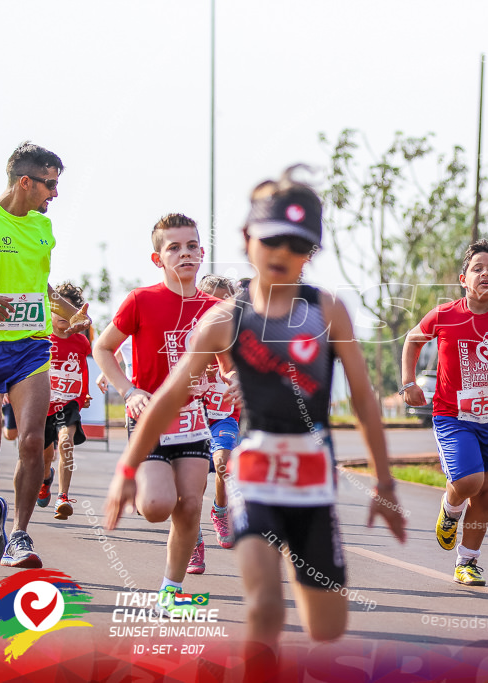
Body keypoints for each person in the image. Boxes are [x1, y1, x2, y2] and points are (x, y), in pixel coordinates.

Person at [103, 167, 406, 656]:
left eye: (298, 244)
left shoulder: (328, 311)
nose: (283, 254)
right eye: (272, 241)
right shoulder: (223, 320)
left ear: (312, 251)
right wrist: (126, 468)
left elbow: (366, 399)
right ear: (248, 241)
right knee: (265, 606)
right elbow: (164, 401)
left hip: (312, 483)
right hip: (257, 477)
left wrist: (385, 481)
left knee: (325, 627)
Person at [0, 141, 91, 568]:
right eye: (50, 185)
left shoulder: (43, 227)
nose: (55, 194)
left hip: (32, 348)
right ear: (25, 181)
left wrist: (69, 312)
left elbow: (41, 283)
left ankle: (19, 534)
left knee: (34, 441)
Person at [93, 212, 220, 611]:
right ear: (158, 259)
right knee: (156, 507)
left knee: (191, 505)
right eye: (175, 248)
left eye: (192, 246)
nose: (185, 253)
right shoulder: (141, 301)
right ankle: (140, 481)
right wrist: (128, 391)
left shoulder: (217, 309)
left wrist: (227, 382)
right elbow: (102, 347)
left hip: (193, 422)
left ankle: (170, 591)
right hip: (149, 421)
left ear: (202, 253)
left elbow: (232, 363)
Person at [401, 239, 488, 586]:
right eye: (478, 268)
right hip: (452, 416)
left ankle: (468, 562)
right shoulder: (445, 315)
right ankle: (450, 508)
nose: (485, 274)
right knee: (468, 482)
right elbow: (412, 340)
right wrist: (408, 383)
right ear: (464, 279)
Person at [40, 282, 93, 520]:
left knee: (66, 442)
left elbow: (83, 369)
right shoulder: (40, 338)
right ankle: (45, 478)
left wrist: (85, 394)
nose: (63, 316)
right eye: (59, 310)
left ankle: (63, 496)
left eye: (69, 311)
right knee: (44, 454)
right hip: (42, 404)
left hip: (67, 404)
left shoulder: (81, 342)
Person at [196, 274, 239, 549]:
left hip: (224, 415)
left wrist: (231, 374)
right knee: (194, 480)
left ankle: (220, 511)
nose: (217, 306)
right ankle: (192, 539)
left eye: (223, 301)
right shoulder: (187, 334)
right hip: (191, 419)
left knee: (223, 463)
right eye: (211, 301)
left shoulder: (237, 335)